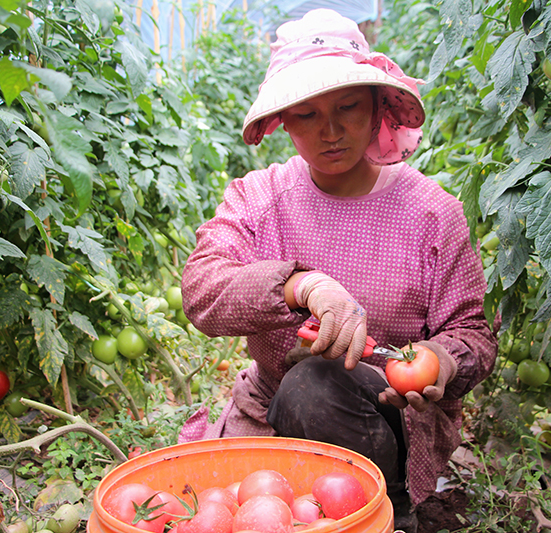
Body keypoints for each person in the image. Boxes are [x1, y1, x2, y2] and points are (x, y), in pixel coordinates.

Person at [178, 8, 498, 532]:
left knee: (317, 386)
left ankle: (385, 507)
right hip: (271, 409)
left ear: (378, 107)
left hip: (389, 421)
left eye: (348, 106)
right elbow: (201, 289)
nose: (330, 131)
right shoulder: (258, 200)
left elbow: (474, 335)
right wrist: (300, 284)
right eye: (306, 114)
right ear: (282, 121)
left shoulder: (431, 214)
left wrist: (439, 361)